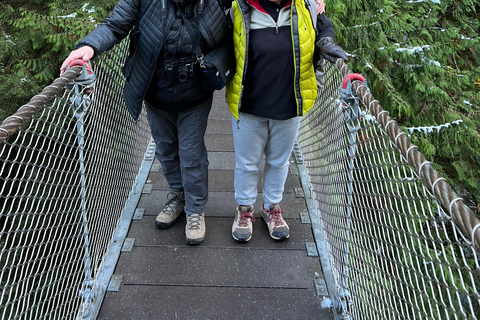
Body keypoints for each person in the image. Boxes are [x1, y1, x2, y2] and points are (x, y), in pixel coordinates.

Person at [60, 0, 232, 245]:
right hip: (156, 91)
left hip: (195, 93)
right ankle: (178, 196)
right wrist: (89, 46)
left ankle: (195, 210)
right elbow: (115, 25)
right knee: (165, 149)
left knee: (191, 152)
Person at [226, 0, 347, 242]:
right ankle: (244, 209)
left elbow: (324, 27)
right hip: (249, 102)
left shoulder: (307, 6)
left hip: (290, 102)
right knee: (247, 163)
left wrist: (326, 43)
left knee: (279, 161)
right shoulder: (239, 7)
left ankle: (272, 208)